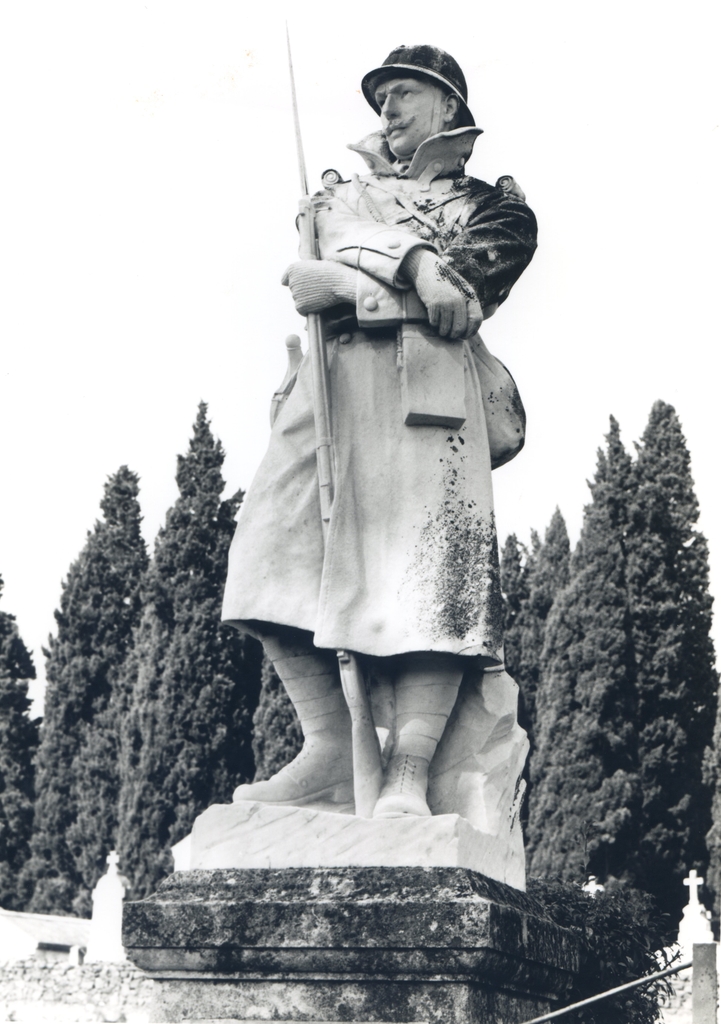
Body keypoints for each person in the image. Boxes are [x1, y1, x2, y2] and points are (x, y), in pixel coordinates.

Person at [223, 45, 537, 819]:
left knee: (432, 585)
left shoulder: (495, 208)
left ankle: (407, 770)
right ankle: (329, 749)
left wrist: (356, 287)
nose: (386, 112)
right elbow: (325, 248)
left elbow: (460, 299)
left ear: (446, 106)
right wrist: (415, 265)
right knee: (269, 560)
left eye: (401, 95)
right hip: (323, 397)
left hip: (427, 400)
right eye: (380, 99)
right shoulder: (338, 196)